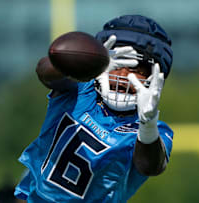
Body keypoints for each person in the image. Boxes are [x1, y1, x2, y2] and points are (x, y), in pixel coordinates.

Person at [14, 15, 174, 202]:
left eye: (136, 70)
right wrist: (76, 64)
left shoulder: (152, 131)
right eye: (118, 66)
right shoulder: (79, 90)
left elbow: (150, 166)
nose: (123, 76)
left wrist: (148, 123)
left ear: (155, 77)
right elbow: (45, 72)